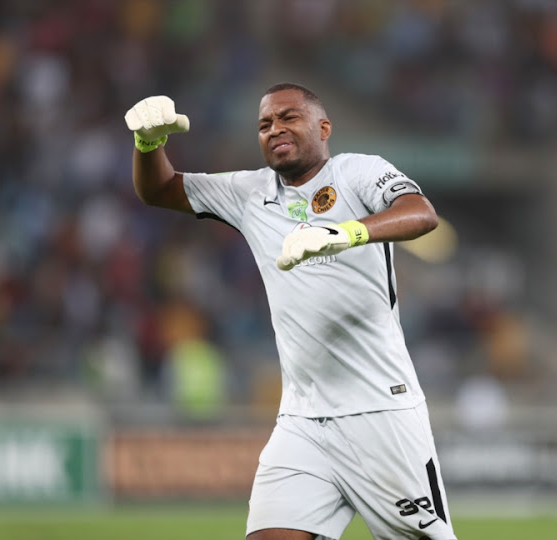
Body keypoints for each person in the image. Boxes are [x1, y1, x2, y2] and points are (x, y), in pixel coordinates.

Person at [125, 83, 457, 540]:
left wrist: (344, 234)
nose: (275, 128)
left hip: (381, 411)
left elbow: (421, 213)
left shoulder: (356, 172)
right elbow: (160, 188)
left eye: (288, 117)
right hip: (301, 421)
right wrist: (148, 143)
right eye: (264, 124)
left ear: (324, 128)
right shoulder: (248, 192)